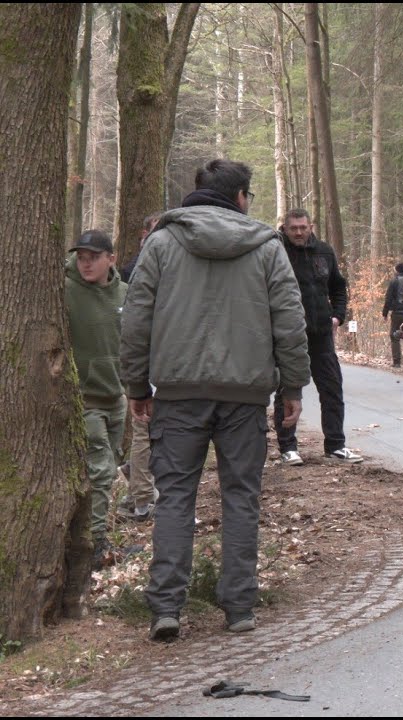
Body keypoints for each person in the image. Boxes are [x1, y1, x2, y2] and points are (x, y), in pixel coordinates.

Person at [120, 158, 310, 641]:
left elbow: (136, 318)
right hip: (244, 397)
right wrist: (292, 386)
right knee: (241, 496)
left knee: (175, 498)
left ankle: (166, 607)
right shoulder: (267, 247)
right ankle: (239, 606)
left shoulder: (161, 242)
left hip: (179, 394)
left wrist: (137, 386)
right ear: (240, 197)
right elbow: (289, 321)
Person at [274, 209, 363, 465]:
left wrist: (338, 316)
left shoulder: (324, 252)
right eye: (294, 228)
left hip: (322, 334)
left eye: (303, 227)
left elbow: (338, 287)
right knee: (287, 390)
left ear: (311, 227)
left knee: (332, 388)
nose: (299, 232)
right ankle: (288, 447)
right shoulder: (277, 252)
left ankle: (336, 445)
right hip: (289, 335)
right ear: (285, 228)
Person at [65, 229, 129, 568]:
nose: (86, 264)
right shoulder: (64, 289)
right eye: (81, 258)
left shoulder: (125, 293)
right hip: (83, 399)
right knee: (101, 469)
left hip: (116, 397)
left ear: (111, 259)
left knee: (107, 469)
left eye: (93, 258)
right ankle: (94, 544)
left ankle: (90, 536)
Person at [119, 213, 163, 522]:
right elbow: (132, 323)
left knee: (156, 433)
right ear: (144, 235)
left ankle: (138, 482)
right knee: (144, 430)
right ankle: (142, 499)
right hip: (147, 362)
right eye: (157, 231)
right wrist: (136, 377)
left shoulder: (169, 262)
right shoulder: (136, 269)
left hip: (169, 360)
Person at [382, 262, 403, 368]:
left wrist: (385, 313)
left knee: (394, 336)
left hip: (397, 313)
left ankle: (397, 362)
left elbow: (388, 298)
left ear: (397, 270)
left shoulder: (394, 281)